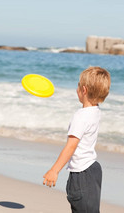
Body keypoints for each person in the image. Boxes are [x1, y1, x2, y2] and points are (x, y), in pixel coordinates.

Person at [43, 66, 111, 212]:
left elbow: (71, 146)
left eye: (78, 86)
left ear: (84, 90)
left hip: (82, 174)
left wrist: (54, 170)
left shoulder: (80, 116)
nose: (76, 89)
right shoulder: (96, 110)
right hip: (93, 169)